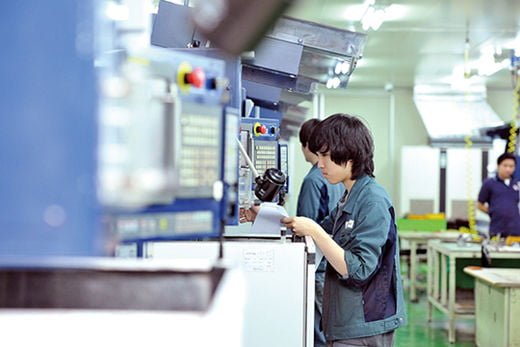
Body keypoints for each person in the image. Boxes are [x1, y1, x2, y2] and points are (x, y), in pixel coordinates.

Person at [282, 113, 406, 346]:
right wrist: (274, 219)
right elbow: (319, 228)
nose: (320, 164)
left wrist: (315, 231)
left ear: (348, 157)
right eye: (319, 156)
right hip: (346, 320)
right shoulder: (350, 197)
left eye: (326, 156)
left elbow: (358, 269)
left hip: (365, 324)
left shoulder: (373, 201)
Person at [297, 118, 345, 347]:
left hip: (318, 267)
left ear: (309, 145)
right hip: (332, 264)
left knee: (317, 332)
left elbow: (306, 225)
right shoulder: (338, 180)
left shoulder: (313, 180)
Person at [477, 152, 520, 237]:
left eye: (511, 166)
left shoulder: (516, 184)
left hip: (515, 229)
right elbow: (479, 204)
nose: (508, 169)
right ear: (498, 166)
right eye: (505, 166)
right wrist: (494, 212)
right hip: (497, 229)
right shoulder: (489, 183)